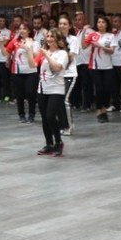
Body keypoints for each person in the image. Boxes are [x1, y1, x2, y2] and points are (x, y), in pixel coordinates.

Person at [29, 28, 69, 157]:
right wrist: (29, 50)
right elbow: (32, 65)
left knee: (51, 116)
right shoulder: (43, 53)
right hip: (42, 89)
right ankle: (49, 144)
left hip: (56, 89)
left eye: (52, 36)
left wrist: (46, 54)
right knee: (45, 118)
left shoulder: (62, 53)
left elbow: (57, 67)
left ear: (58, 39)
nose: (49, 39)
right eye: (48, 36)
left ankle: (58, 142)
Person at [82, 14, 116, 123]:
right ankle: (100, 112)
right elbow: (83, 46)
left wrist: (100, 46)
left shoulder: (111, 36)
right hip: (94, 66)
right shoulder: (93, 35)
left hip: (108, 66)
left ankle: (104, 108)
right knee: (99, 88)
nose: (100, 24)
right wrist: (84, 32)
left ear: (107, 24)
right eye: (98, 22)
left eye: (103, 22)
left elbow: (111, 50)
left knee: (107, 89)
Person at [7, 23, 38, 124]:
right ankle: (21, 114)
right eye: (20, 29)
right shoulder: (15, 41)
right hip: (17, 72)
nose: (22, 30)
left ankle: (32, 114)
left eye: (24, 28)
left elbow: (36, 56)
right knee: (19, 95)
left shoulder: (35, 42)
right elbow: (6, 51)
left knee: (30, 93)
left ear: (29, 30)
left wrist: (28, 48)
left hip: (31, 72)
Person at [56, 15, 79, 135]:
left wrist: (60, 65)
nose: (62, 26)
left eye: (65, 24)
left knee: (64, 100)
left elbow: (71, 56)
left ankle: (69, 126)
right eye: (60, 24)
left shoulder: (73, 39)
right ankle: (62, 125)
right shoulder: (55, 38)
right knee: (58, 100)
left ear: (70, 26)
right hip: (58, 74)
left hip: (69, 74)